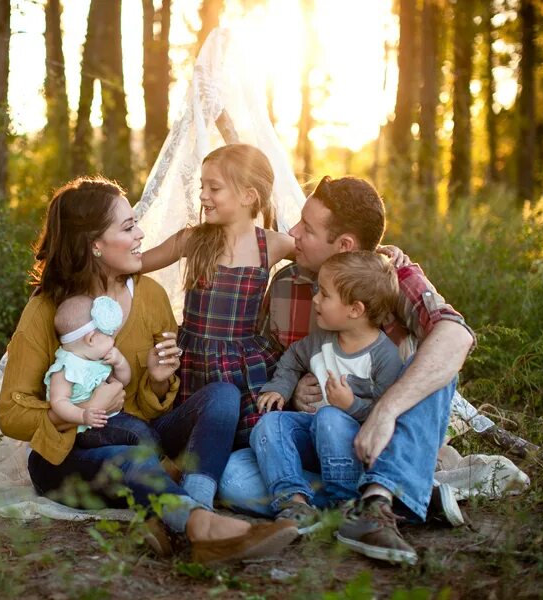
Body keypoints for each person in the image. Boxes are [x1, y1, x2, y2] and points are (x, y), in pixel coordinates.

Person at [0, 176, 300, 565]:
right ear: (94, 244)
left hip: (143, 435)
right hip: (70, 457)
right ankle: (200, 528)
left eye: (135, 223)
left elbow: (152, 410)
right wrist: (81, 408)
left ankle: (191, 509)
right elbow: (11, 413)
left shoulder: (151, 296)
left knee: (223, 396)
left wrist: (158, 381)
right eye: (127, 228)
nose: (141, 234)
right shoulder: (47, 311)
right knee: (133, 455)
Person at [218, 176, 475, 565]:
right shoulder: (287, 285)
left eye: (307, 228)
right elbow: (275, 362)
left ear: (345, 245)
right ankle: (401, 495)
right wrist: (291, 389)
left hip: (376, 439)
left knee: (437, 361)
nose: (293, 233)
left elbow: (456, 335)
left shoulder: (392, 279)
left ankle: (378, 499)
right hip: (314, 437)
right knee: (234, 479)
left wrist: (383, 412)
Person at [141, 144, 295, 447]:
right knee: (192, 433)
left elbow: (327, 258)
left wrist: (381, 254)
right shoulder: (192, 239)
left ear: (248, 196)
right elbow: (138, 263)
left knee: (250, 436)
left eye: (214, 188)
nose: (202, 196)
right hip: (192, 359)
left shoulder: (272, 244)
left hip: (243, 362)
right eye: (202, 186)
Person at [251, 250, 403, 532]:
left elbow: (387, 416)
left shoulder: (385, 357)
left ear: (355, 309)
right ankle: (294, 502)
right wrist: (280, 388)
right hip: (314, 439)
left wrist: (351, 406)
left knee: (330, 417)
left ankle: (343, 505)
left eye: (325, 294)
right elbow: (293, 358)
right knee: (270, 423)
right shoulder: (322, 340)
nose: (316, 299)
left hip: (353, 448)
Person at [45, 294, 139, 448]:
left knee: (142, 432)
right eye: (109, 336)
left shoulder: (95, 358)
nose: (113, 340)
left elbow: (122, 381)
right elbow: (58, 401)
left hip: (107, 419)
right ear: (91, 339)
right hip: (82, 429)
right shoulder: (65, 368)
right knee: (138, 433)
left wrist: (120, 362)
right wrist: (82, 415)